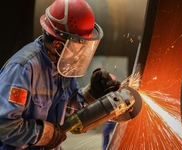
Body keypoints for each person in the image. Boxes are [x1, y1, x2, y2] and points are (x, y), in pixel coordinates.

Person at [0, 0, 120, 149]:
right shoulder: (23, 69)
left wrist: (90, 94)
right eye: (78, 47)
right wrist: (46, 134)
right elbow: (4, 126)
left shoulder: (62, 65)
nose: (80, 54)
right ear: (58, 45)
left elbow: (68, 108)